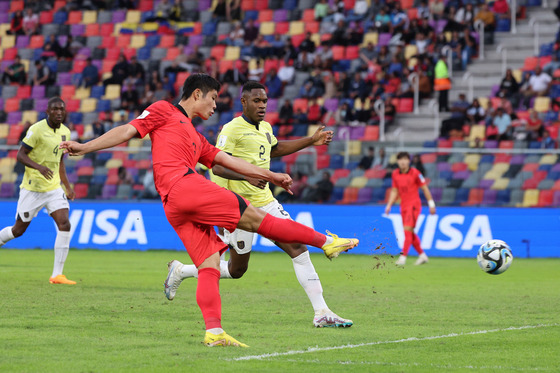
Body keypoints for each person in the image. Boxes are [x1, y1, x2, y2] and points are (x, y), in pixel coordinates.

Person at [59, 74, 359, 347]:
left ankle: (214, 332)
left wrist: (271, 176)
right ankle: (326, 242)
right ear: (197, 94)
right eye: (213, 98)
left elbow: (226, 161)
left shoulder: (196, 136)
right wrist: (84, 147)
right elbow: (127, 130)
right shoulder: (163, 109)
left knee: (210, 265)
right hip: (185, 187)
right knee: (257, 219)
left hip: (173, 205)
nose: (216, 105)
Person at [169, 81, 352, 328]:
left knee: (298, 249)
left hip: (266, 203)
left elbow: (273, 149)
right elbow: (217, 164)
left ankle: (322, 312)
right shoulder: (231, 130)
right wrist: (247, 176)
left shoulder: (265, 127)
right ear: (244, 102)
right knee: (236, 270)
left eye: (265, 101)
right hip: (238, 208)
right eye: (257, 101)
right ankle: (182, 271)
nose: (262, 105)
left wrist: (310, 140)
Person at [0, 97, 75, 285]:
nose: (59, 112)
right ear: (47, 112)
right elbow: (20, 155)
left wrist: (67, 186)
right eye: (55, 109)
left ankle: (57, 275)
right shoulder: (36, 130)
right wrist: (39, 167)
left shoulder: (66, 132)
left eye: (62, 109)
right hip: (33, 189)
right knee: (18, 230)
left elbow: (60, 162)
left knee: (65, 224)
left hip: (53, 188)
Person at [385, 152, 436, 266]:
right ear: (397, 161)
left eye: (405, 159)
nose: (402, 162)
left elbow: (425, 188)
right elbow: (394, 191)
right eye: (400, 159)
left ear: (409, 161)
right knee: (410, 233)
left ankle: (403, 257)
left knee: (407, 231)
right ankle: (422, 255)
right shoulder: (395, 174)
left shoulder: (416, 173)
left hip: (413, 206)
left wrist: (431, 204)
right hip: (403, 206)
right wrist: (389, 205)